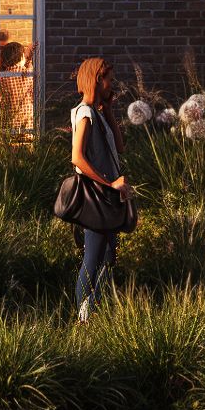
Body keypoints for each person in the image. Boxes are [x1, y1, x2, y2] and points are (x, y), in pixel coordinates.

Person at [60, 53, 132, 318]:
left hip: (108, 195)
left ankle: (93, 312)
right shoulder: (84, 114)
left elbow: (120, 148)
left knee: (109, 257)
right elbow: (77, 158)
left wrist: (110, 111)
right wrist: (110, 182)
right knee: (93, 259)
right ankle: (83, 318)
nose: (111, 86)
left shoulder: (97, 113)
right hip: (96, 195)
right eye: (108, 80)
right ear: (96, 80)